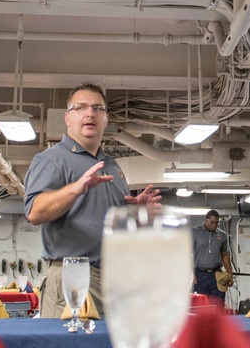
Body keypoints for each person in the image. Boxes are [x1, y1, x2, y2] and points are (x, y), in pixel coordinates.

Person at [24, 83, 161, 318]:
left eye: (97, 108)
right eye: (81, 108)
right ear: (67, 118)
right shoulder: (51, 160)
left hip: (114, 278)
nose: (90, 114)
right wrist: (76, 189)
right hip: (74, 279)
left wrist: (134, 211)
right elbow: (35, 213)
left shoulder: (112, 166)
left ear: (106, 118)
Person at [192, 209, 233, 307]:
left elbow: (225, 255)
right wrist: (191, 274)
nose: (214, 225)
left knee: (218, 306)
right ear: (206, 220)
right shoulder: (195, 233)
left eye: (216, 223)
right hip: (200, 275)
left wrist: (230, 274)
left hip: (217, 275)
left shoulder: (222, 235)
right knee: (199, 306)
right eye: (212, 222)